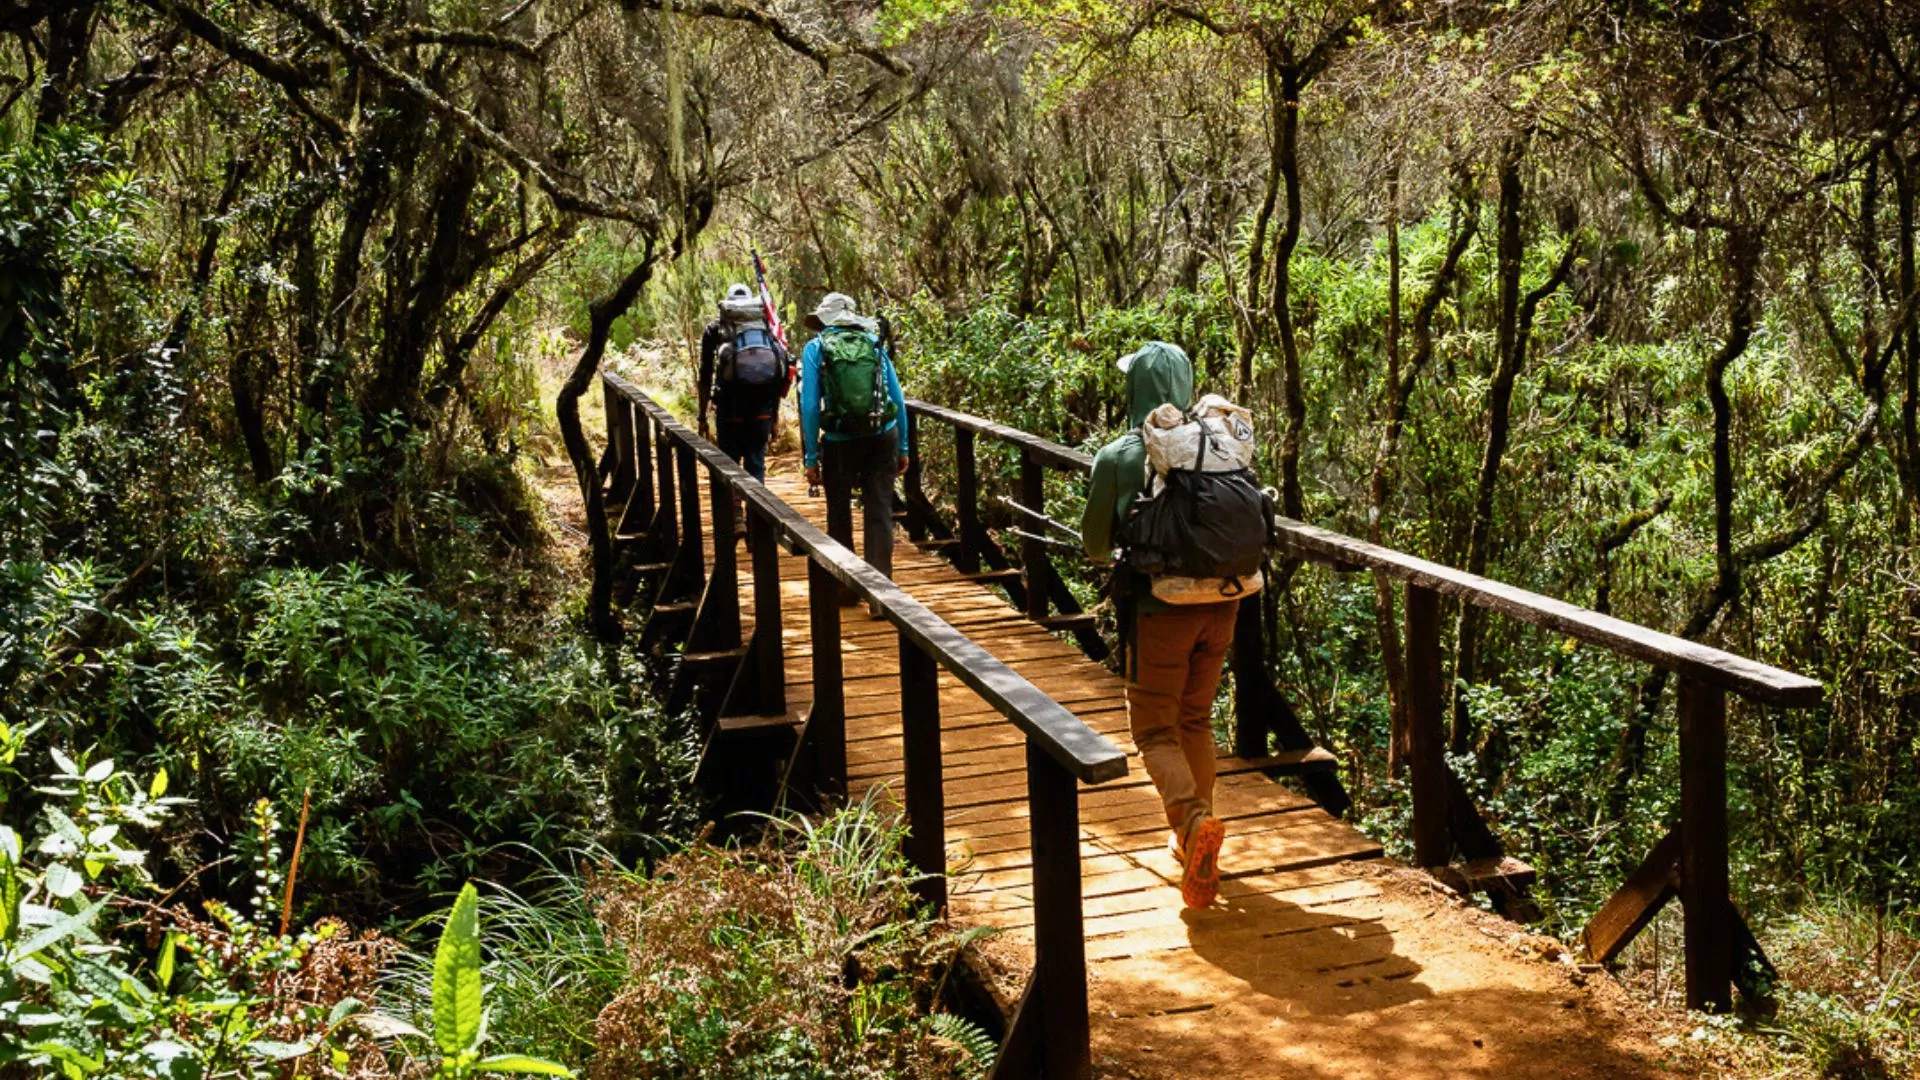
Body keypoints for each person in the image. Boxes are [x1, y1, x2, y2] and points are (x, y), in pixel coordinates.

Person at [1081, 342, 1235, 909]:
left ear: (1135, 388)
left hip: (1161, 609)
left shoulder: (1121, 454)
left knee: (1153, 730)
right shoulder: (1218, 443)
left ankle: (1193, 824)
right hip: (1225, 602)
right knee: (1195, 718)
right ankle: (1195, 835)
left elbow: (1094, 543)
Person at [798, 293, 909, 610]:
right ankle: (881, 597)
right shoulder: (874, 343)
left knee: (839, 514)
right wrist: (903, 446)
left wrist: (811, 457)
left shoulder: (816, 348)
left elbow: (810, 406)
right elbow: (897, 399)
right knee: (879, 511)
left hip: (839, 441)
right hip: (882, 436)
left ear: (825, 320)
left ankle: (847, 588)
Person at [697, 283, 790, 483]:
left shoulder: (715, 329)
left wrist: (702, 416)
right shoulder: (766, 328)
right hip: (762, 412)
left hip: (729, 411)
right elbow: (775, 375)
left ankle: (732, 503)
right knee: (756, 465)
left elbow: (705, 374)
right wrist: (774, 417)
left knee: (729, 469)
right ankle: (757, 503)